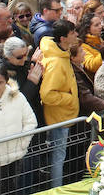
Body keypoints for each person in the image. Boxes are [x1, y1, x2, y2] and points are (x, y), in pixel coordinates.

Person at [39, 19, 80, 188]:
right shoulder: (56, 62)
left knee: (59, 156)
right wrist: (70, 99)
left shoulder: (61, 54)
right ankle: (57, 189)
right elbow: (47, 94)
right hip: (59, 118)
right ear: (63, 38)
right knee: (58, 157)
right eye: (72, 33)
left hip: (63, 116)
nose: (76, 35)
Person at [0, 63, 37, 195]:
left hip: (15, 155)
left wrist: (22, 144)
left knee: (12, 189)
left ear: (6, 81)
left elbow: (31, 121)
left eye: (0, 82)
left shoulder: (18, 97)